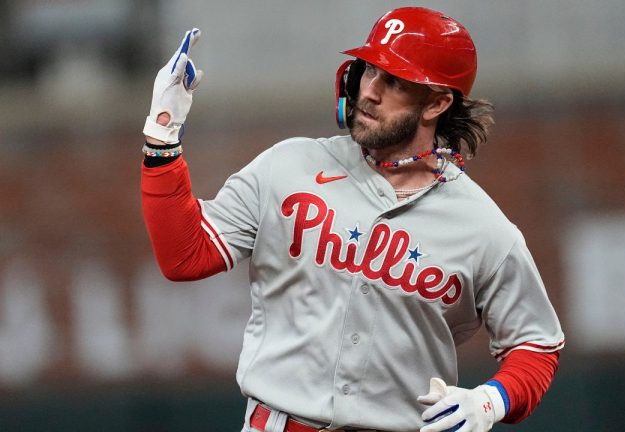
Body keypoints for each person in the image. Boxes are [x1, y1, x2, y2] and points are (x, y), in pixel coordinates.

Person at [141, 7, 564, 432]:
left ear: (437, 102)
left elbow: (537, 343)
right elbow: (185, 256)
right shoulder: (289, 165)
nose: (370, 91)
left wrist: (491, 401)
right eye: (368, 71)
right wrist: (162, 135)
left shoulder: (482, 226)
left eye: (395, 81)